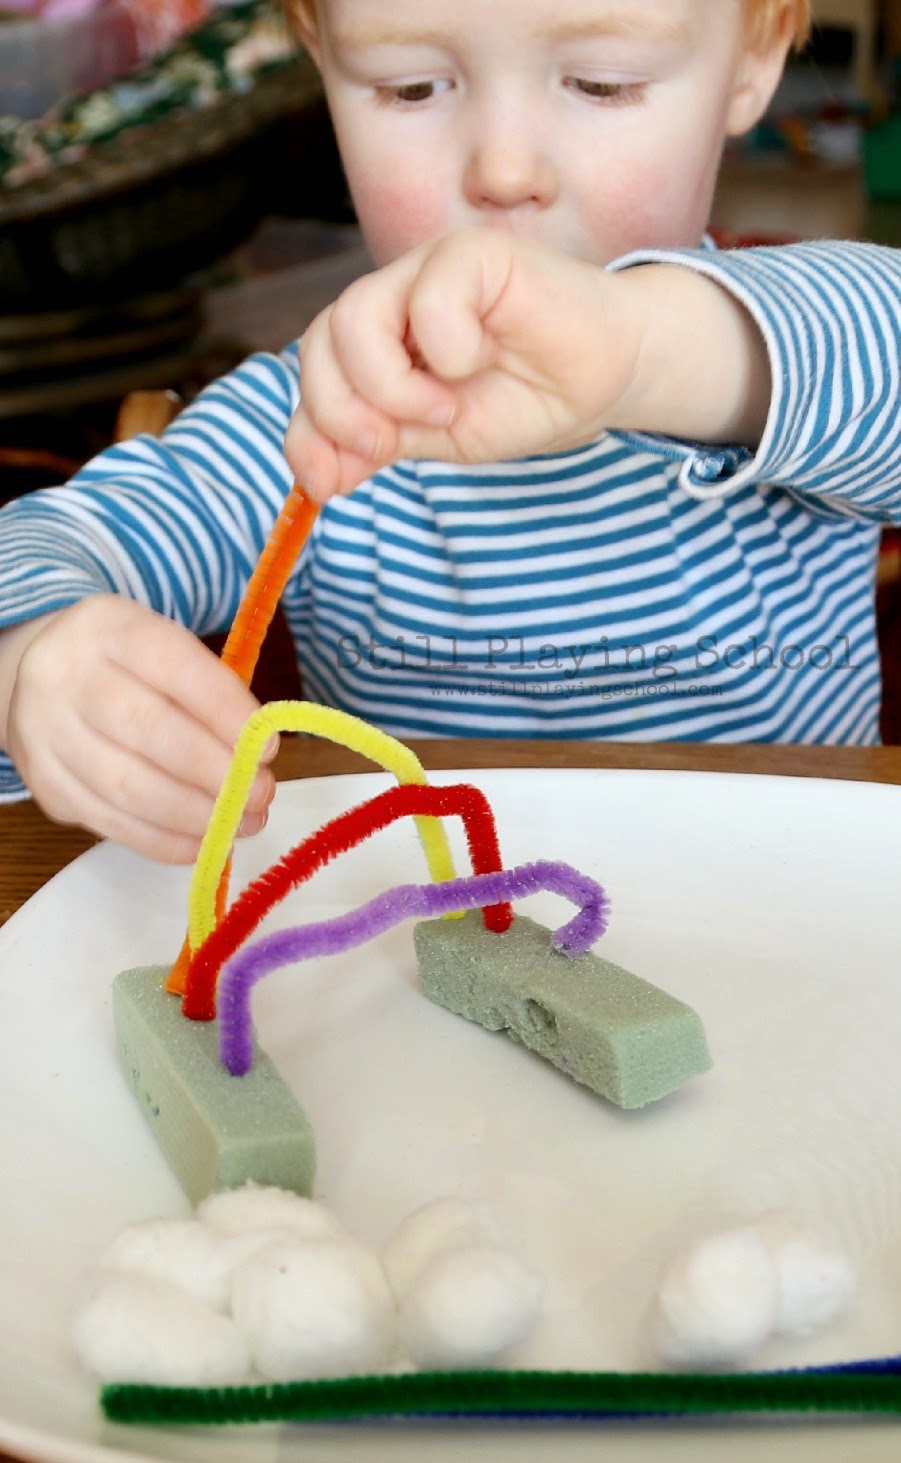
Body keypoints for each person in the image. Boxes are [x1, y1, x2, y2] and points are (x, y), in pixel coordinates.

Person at [0, 0, 890, 866]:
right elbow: (52, 543)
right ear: (323, 57)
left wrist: (651, 347)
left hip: (798, 939)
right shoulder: (315, 418)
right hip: (427, 971)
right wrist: (33, 663)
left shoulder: (796, 361)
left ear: (753, 56)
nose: (503, 171)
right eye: (412, 87)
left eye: (601, 82)